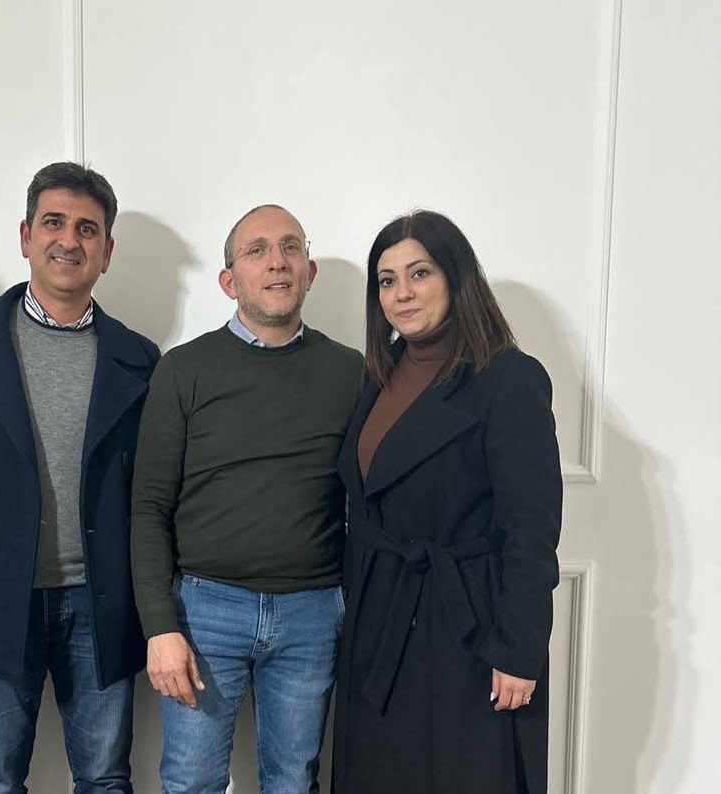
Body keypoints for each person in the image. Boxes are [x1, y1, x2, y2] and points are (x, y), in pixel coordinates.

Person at [0, 162, 160, 794]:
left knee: (105, 778)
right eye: (54, 222)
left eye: (87, 228)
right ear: (26, 235)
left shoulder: (140, 359)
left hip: (101, 598)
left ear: (107, 251)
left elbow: (150, 491)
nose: (69, 240)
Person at [131, 204, 364, 794]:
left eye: (290, 247)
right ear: (229, 280)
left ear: (309, 271)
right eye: (256, 250)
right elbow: (149, 507)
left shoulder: (350, 372)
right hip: (205, 610)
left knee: (293, 782)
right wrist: (159, 626)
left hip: (312, 612)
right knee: (191, 782)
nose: (277, 261)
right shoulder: (183, 370)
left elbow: (369, 501)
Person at [332, 210, 562, 793]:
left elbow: (531, 531)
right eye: (387, 280)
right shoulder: (378, 375)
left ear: (456, 278)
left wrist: (519, 650)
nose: (402, 293)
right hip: (379, 618)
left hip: (469, 627)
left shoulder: (508, 378)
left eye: (420, 273)